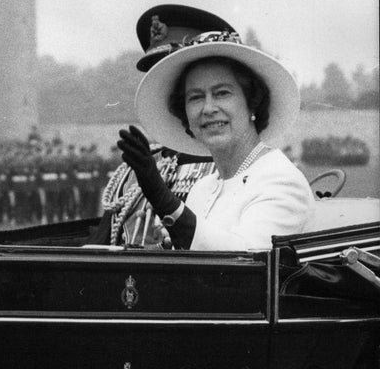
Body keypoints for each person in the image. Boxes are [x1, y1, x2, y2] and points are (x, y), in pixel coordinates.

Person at [118, 29, 314, 250]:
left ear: (252, 103)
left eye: (222, 93)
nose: (208, 108)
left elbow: (245, 264)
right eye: (196, 97)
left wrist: (164, 199)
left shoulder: (281, 181)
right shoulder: (202, 189)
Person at [88, 4, 236, 246]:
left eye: (170, 73)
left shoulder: (228, 166)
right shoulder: (133, 171)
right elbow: (103, 245)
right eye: (154, 74)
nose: (160, 87)